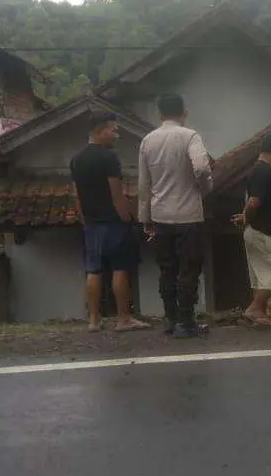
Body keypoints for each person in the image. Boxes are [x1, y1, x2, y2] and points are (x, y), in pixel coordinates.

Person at [138, 93, 214, 338]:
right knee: (189, 269)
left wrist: (145, 218)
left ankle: (170, 319)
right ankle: (186, 321)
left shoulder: (147, 141)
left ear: (160, 113)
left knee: (167, 269)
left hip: (160, 216)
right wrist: (204, 188)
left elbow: (143, 185)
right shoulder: (190, 136)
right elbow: (202, 167)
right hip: (189, 215)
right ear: (185, 112)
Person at [70, 111, 150, 333]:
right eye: (113, 130)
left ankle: (94, 320)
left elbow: (76, 194)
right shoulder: (108, 158)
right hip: (113, 222)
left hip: (91, 223)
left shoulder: (76, 159)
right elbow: (117, 195)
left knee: (93, 270)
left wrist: (84, 219)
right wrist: (127, 218)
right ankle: (123, 318)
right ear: (99, 130)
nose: (116, 135)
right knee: (120, 268)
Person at [231, 132, 271, 327]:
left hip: (257, 230)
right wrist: (246, 215)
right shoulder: (264, 171)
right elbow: (255, 201)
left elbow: (253, 200)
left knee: (262, 275)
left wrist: (244, 215)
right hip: (264, 231)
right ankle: (255, 308)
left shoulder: (255, 170)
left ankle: (260, 313)